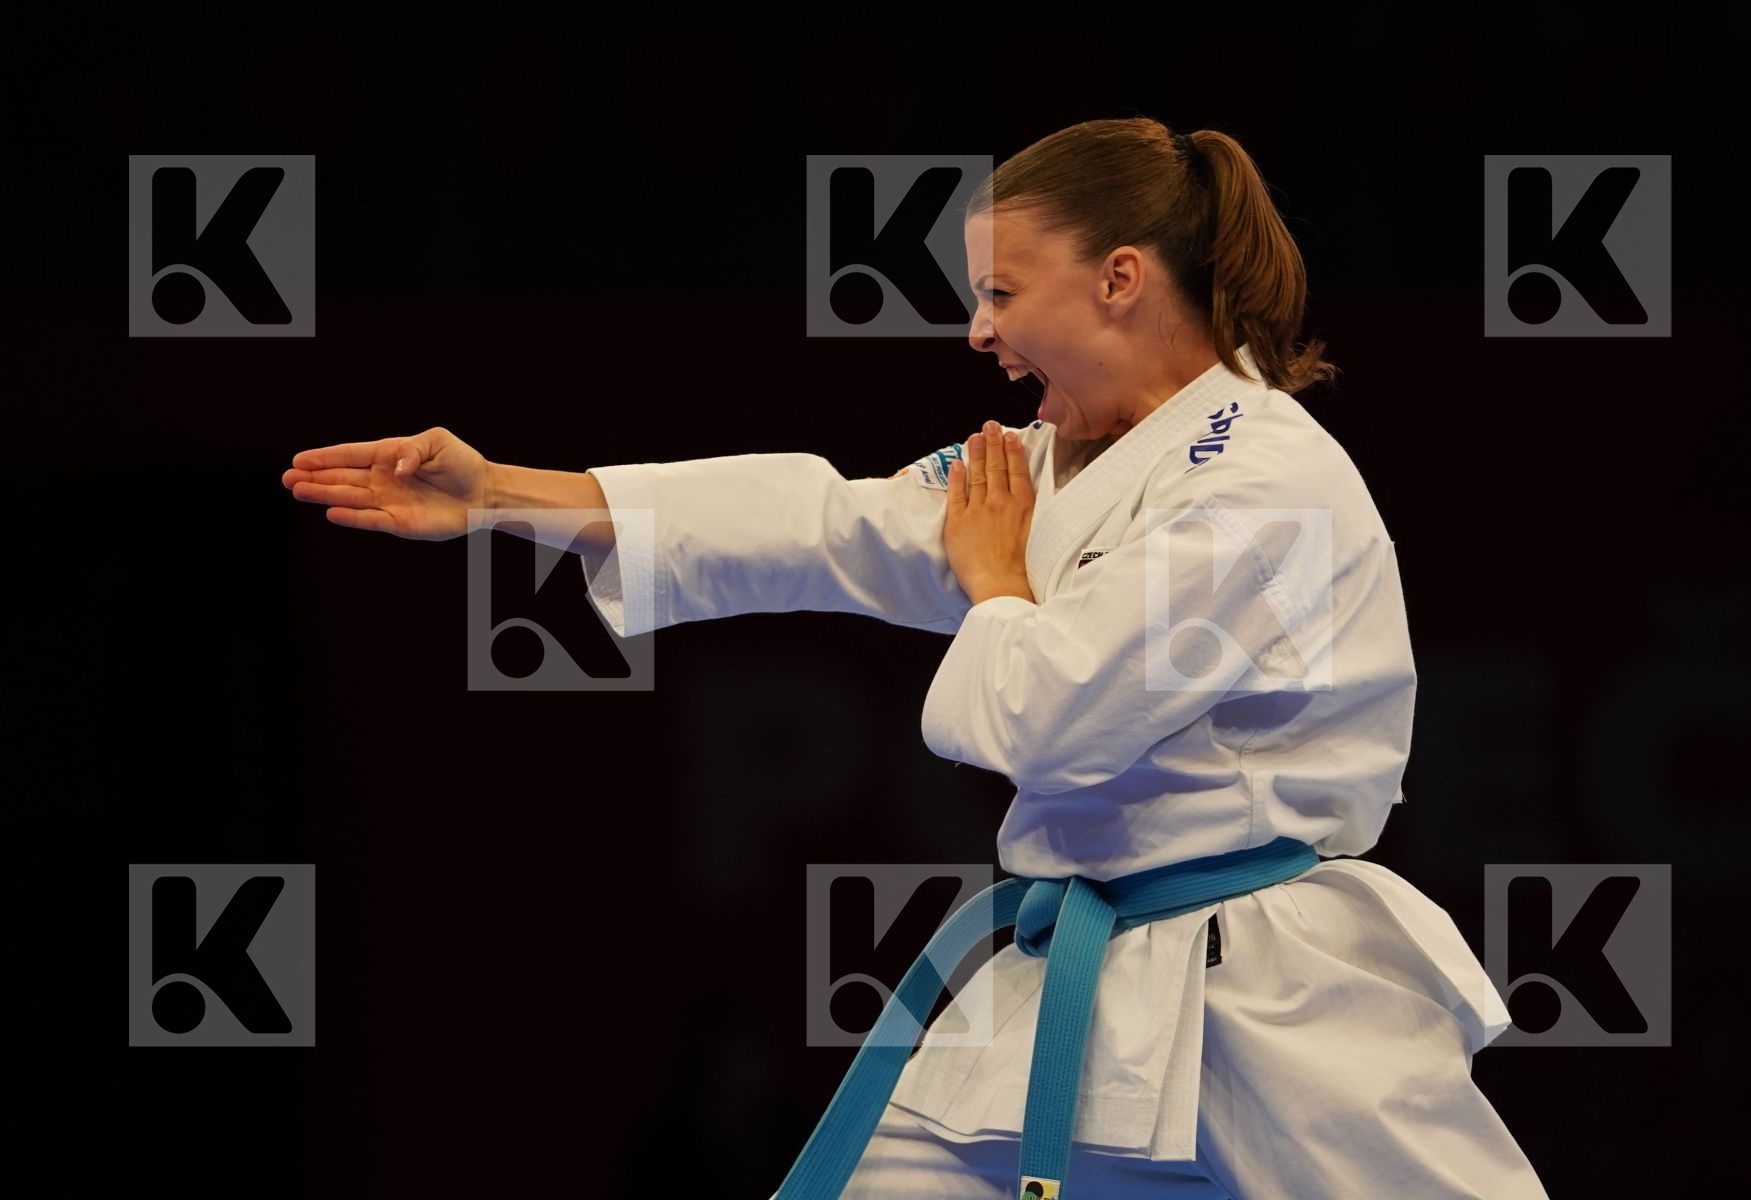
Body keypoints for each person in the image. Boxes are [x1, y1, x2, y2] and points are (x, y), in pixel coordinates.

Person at [284, 118, 1550, 1199]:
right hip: (1085, 978)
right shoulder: (1057, 461)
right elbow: (827, 526)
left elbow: (1052, 719)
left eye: (1003, 294)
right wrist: (502, 491)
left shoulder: (1261, 484)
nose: (978, 333)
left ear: (1120, 279)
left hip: (1275, 997)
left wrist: (995, 583)